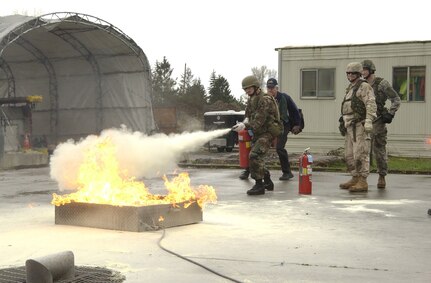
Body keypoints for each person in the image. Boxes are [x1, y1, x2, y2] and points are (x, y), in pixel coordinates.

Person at [232, 75, 282, 195]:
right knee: (257, 158)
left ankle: (259, 185)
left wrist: (245, 126)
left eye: (249, 88)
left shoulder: (265, 99)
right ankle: (268, 182)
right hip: (258, 132)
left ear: (255, 86)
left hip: (268, 132)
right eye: (245, 89)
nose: (247, 91)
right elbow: (248, 116)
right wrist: (243, 123)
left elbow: (259, 121)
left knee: (254, 155)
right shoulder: (252, 99)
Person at [361, 60, 401, 189]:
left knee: (379, 151)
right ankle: (361, 178)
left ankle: (382, 176)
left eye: (365, 69)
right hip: (363, 121)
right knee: (361, 151)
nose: (362, 72)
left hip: (378, 121)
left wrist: (391, 113)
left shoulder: (381, 83)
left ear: (371, 70)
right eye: (361, 70)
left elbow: (396, 99)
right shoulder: (360, 84)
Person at [339, 62, 377, 192]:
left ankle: (362, 180)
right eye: (348, 73)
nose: (350, 75)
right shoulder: (351, 88)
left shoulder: (364, 86)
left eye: (353, 73)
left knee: (360, 154)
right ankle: (355, 177)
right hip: (349, 125)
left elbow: (371, 103)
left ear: (359, 73)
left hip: (359, 125)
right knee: (349, 155)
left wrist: (369, 120)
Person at [266, 78, 302, 180]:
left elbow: (294, 111)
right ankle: (249, 171)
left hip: (283, 125)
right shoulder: (265, 99)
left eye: (272, 88)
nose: (271, 90)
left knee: (280, 148)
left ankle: (287, 172)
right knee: (257, 147)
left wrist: (297, 124)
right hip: (270, 125)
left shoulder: (285, 98)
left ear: (276, 88)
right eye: (269, 88)